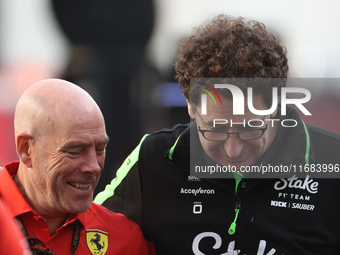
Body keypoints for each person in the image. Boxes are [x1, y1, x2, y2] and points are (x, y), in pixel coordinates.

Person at [94, 14, 340, 255]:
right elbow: (84, 232)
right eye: (215, 130)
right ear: (190, 106)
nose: (233, 150)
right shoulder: (154, 158)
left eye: (249, 129)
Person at [0, 79, 151, 254]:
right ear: (26, 149)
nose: (93, 167)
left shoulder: (124, 238)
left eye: (100, 149)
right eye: (75, 150)